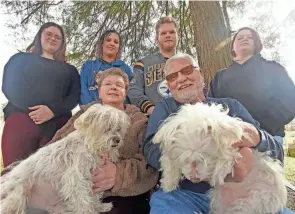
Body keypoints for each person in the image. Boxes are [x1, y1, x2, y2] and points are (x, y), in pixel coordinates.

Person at [143, 53, 291, 214]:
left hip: (247, 192)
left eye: (187, 70)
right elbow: (151, 149)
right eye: (172, 76)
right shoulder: (165, 108)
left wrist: (257, 137)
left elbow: (275, 151)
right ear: (169, 86)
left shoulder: (230, 106)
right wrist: (192, 157)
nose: (181, 78)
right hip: (186, 194)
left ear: (200, 74)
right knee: (165, 205)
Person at [25, 68, 158, 214]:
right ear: (99, 91)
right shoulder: (83, 115)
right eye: (108, 84)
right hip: (66, 189)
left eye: (119, 85)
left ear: (125, 92)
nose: (113, 87)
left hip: (118, 197)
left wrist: (119, 175)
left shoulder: (139, 120)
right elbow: (55, 146)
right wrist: (15, 173)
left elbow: (151, 164)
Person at [1, 22, 80, 168]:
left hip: (58, 125)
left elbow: (74, 96)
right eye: (48, 34)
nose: (53, 38)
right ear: (39, 37)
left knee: (52, 177)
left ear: (62, 43)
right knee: (14, 175)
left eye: (58, 37)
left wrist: (52, 111)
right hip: (21, 120)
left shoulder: (70, 70)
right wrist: (36, 110)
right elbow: (10, 86)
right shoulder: (20, 59)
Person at [208, 27, 295, 145]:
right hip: (228, 141)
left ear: (257, 44)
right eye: (240, 37)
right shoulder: (219, 77)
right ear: (233, 46)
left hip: (268, 139)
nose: (245, 39)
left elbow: (290, 100)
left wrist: (260, 128)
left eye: (250, 37)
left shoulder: (274, 68)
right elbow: (211, 106)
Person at [128, 16, 178, 115]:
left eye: (172, 32)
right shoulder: (143, 63)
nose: (168, 35)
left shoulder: (188, 62)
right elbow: (133, 90)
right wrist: (150, 108)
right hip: (154, 118)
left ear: (178, 36)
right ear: (156, 39)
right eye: (163, 33)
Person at [80, 30, 133, 105]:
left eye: (116, 42)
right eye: (108, 40)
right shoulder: (88, 66)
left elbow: (130, 94)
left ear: (119, 47)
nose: (112, 43)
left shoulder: (125, 69)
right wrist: (93, 109)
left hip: (118, 113)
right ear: (102, 44)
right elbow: (83, 91)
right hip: (91, 112)